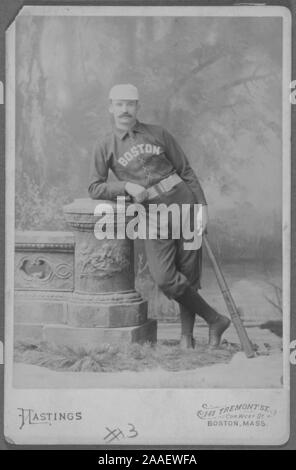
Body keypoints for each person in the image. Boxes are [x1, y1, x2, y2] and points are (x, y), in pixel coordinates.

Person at [88, 83, 230, 349]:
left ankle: (186, 339)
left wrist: (203, 208)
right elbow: (95, 187)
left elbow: (186, 171)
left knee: (189, 274)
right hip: (151, 215)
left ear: (137, 107)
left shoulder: (159, 134)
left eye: (130, 104)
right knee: (165, 277)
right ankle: (215, 319)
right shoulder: (105, 146)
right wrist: (125, 187)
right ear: (110, 108)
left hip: (183, 202)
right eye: (119, 104)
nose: (125, 109)